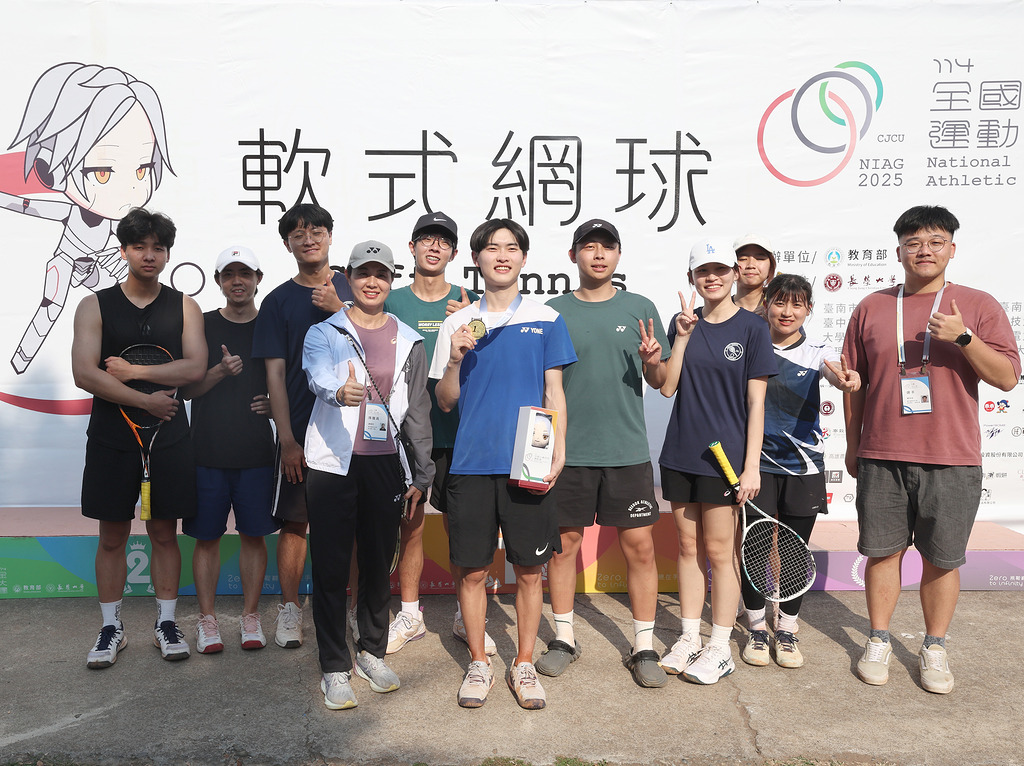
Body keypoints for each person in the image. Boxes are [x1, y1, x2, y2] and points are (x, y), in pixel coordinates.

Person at [842, 205, 1019, 694]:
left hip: (952, 456)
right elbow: (854, 383)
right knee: (882, 553)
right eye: (914, 242)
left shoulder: (977, 305)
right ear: (899, 250)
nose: (924, 250)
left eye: (935, 242)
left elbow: (1007, 377)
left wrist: (963, 338)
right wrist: (854, 444)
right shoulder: (872, 306)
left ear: (952, 249)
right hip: (883, 453)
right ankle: (878, 639)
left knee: (943, 559)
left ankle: (934, 646)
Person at [431, 219, 576, 710]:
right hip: (471, 464)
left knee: (530, 570)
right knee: (471, 571)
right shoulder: (457, 323)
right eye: (491, 248)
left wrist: (559, 447)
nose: (501, 255)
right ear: (476, 259)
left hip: (527, 464)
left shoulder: (546, 318)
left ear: (523, 259)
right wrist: (454, 360)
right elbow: (445, 401)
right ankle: (479, 661)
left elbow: (554, 391)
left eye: (511, 248)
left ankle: (525, 663)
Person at [71, 207, 206, 667]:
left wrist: (134, 372)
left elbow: (195, 368)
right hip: (111, 437)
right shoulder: (94, 305)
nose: (149, 255)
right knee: (112, 535)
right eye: (139, 246)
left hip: (169, 439)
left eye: (158, 247)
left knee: (164, 533)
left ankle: (166, 623)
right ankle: (111, 627)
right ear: (124, 250)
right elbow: (84, 373)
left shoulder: (185, 306)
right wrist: (145, 401)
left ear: (167, 254)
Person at [302, 240, 434, 710]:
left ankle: (371, 653)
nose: (372, 282)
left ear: (392, 280)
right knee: (332, 567)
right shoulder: (324, 332)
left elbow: (416, 409)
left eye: (381, 274)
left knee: (378, 565)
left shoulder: (410, 339)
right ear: (349, 278)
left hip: (385, 464)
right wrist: (338, 392)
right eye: (363, 273)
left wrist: (422, 471)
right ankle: (334, 666)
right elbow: (317, 375)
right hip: (332, 464)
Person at [540, 218, 670, 688]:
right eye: (589, 246)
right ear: (572, 255)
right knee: (563, 548)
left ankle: (644, 646)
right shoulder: (552, 312)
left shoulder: (641, 308)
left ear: (618, 255)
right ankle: (563, 639)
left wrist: (653, 361)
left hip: (626, 451)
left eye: (607, 247)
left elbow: (660, 381)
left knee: (640, 548)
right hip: (567, 452)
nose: (598, 255)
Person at [658, 238, 776, 685]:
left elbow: (757, 403)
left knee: (721, 553)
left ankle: (720, 646)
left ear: (734, 273)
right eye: (702, 271)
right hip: (680, 453)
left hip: (725, 461)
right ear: (691, 278)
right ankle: (689, 637)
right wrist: (682, 337)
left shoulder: (753, 328)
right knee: (688, 549)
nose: (712, 277)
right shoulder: (683, 323)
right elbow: (667, 387)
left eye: (720, 269)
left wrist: (751, 466)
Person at [381, 211, 490, 655]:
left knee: (463, 528)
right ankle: (410, 614)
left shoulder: (471, 303)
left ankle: (468, 616)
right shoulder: (391, 301)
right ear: (411, 248)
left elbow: (489, 366)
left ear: (454, 253)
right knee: (409, 524)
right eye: (426, 239)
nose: (434, 247)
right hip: (406, 436)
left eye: (443, 241)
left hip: (461, 433)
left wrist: (468, 323)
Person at [739, 273, 860, 670]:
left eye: (797, 304)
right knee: (755, 547)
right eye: (780, 302)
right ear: (766, 304)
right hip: (755, 465)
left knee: (794, 551)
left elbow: (835, 374)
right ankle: (757, 627)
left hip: (803, 467)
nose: (787, 312)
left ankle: (787, 629)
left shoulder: (818, 349)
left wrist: (846, 378)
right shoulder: (751, 344)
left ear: (809, 309)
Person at [252, 203, 353, 649]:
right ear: (287, 243)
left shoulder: (357, 286)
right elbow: (274, 375)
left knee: (351, 524)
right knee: (295, 524)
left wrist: (340, 308)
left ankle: (352, 609)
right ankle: (290, 609)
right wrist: (288, 438)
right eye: (298, 233)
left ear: (330, 235)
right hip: (301, 433)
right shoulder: (277, 301)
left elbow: (376, 348)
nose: (308, 239)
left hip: (352, 431)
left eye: (316, 231)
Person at [181, 246, 278, 654]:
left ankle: (250, 617)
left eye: (245, 273)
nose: (237, 281)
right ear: (219, 281)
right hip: (206, 451)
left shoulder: (271, 325)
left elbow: (286, 379)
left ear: (258, 278)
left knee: (254, 537)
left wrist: (276, 404)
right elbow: (186, 390)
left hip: (256, 453)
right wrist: (220, 371)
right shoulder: (200, 325)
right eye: (229, 274)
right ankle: (207, 621)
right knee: (206, 539)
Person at [732, 234, 777, 315]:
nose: (751, 265)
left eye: (760, 259)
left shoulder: (779, 313)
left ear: (770, 266)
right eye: (742, 259)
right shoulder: (717, 310)